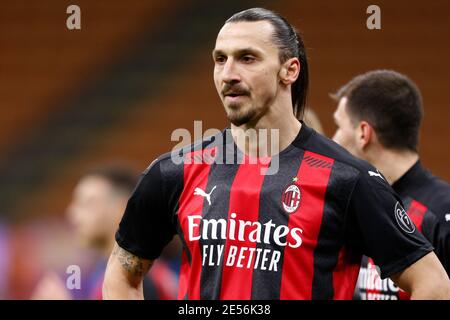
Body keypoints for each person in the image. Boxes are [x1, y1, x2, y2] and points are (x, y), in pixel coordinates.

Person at [103, 8, 450, 300]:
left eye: (247, 58)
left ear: (290, 70)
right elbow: (122, 274)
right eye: (220, 59)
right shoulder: (174, 171)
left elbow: (431, 282)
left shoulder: (349, 179)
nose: (228, 74)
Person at [332, 69, 450, 300]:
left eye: (339, 126)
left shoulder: (440, 213)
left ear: (363, 133)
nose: (333, 139)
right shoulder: (360, 206)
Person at [31, 164, 178, 300]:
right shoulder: (109, 275)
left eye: (87, 203)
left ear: (123, 208)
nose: (72, 214)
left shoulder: (139, 279)